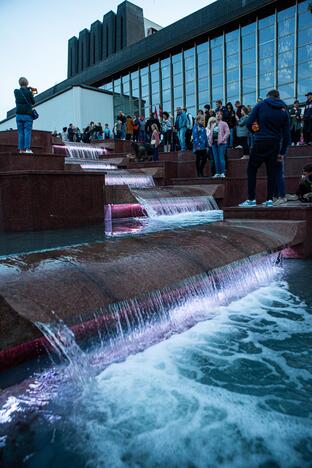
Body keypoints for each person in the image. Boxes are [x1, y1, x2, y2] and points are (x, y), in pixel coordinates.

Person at [239, 89, 290, 207]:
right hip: (275, 144)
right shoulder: (284, 108)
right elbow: (287, 135)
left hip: (260, 141)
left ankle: (251, 199)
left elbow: (249, 122)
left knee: (252, 169)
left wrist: (256, 132)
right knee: (271, 171)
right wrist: (282, 152)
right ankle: (269, 200)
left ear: (268, 96)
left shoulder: (261, 105)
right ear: (278, 97)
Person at [14, 77, 35, 154]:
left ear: (19, 83)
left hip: (18, 115)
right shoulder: (29, 93)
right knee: (27, 132)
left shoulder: (16, 91)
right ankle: (27, 149)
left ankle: (21, 150)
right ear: (27, 83)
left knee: (20, 133)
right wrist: (31, 93)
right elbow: (33, 102)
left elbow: (21, 93)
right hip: (27, 115)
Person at [208, 111, 230, 178]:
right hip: (214, 143)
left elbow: (227, 132)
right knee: (216, 159)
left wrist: (223, 139)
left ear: (222, 116)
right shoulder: (213, 125)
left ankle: (222, 173)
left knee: (221, 158)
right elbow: (210, 134)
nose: (218, 115)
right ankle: (217, 172)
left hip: (221, 144)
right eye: (217, 114)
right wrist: (210, 140)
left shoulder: (224, 123)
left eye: (220, 114)